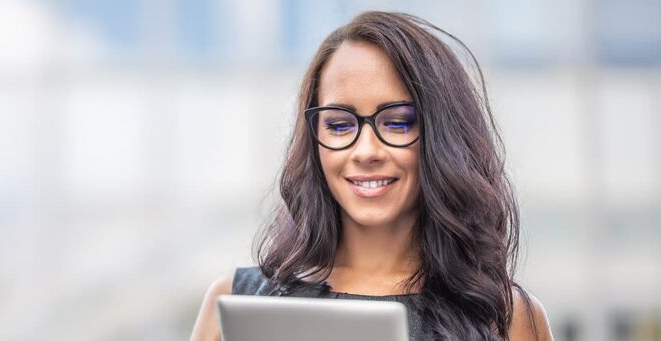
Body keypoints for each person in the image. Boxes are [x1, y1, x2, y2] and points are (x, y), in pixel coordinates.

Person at [190, 11, 553, 341]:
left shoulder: (509, 319)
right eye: (339, 124)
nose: (365, 151)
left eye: (396, 122)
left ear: (442, 138)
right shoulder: (235, 301)